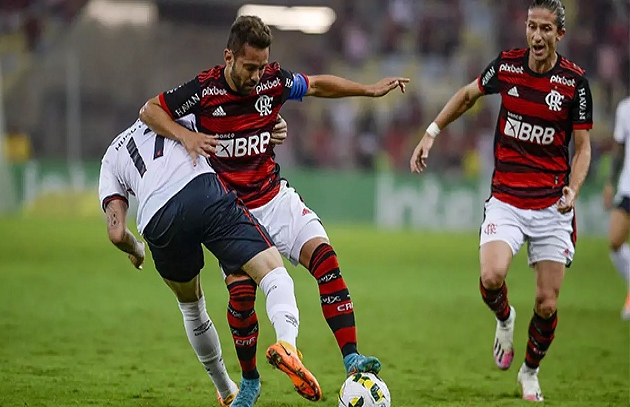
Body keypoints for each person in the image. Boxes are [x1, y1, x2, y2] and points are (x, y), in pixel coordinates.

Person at [138, 14, 409, 404]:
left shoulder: (273, 81)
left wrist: (368, 91)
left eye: (262, 66)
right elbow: (151, 110)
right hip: (229, 212)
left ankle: (351, 358)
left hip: (274, 195)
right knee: (242, 298)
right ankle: (249, 381)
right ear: (228, 56)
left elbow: (315, 85)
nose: (257, 75)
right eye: (250, 66)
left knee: (326, 260)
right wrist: (187, 136)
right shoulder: (204, 89)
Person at [409, 0, 592, 402]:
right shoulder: (507, 66)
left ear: (559, 35)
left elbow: (583, 148)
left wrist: (573, 190)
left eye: (545, 29)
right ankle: (505, 318)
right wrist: (431, 133)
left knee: (546, 303)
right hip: (507, 199)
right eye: (531, 27)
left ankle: (529, 371)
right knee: (491, 278)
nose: (537, 36)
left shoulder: (574, 83)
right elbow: (467, 95)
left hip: (551, 206)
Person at [98, 117, 321, 407]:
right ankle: (287, 342)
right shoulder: (180, 117)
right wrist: (270, 125)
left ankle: (227, 389)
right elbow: (234, 119)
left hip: (157, 219)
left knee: (191, 307)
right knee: (272, 271)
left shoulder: (112, 155)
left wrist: (137, 248)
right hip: (203, 192)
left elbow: (116, 233)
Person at [603, 96, 630, 320]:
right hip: (627, 188)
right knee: (614, 241)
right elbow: (619, 150)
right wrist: (611, 182)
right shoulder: (625, 108)